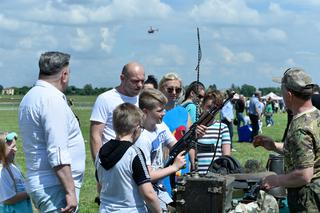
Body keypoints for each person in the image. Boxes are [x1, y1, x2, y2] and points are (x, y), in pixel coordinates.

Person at [19, 51, 85, 212]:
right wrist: (70, 191)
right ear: (64, 75)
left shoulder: (30, 96)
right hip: (55, 186)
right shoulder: (52, 99)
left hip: (44, 183)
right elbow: (57, 151)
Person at [253, 67, 320, 212]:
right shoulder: (316, 116)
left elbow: (304, 175)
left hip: (308, 202)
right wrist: (274, 146)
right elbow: (307, 153)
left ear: (289, 95)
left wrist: (275, 180)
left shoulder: (300, 127)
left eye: (281, 90)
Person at [90, 62, 145, 203]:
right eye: (135, 81)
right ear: (122, 78)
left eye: (142, 81)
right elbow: (96, 135)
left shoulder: (143, 99)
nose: (139, 85)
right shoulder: (105, 99)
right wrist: (99, 167)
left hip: (139, 160)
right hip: (114, 163)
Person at [96, 103, 161, 213]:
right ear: (136, 128)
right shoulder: (134, 153)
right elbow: (148, 193)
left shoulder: (101, 152)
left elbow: (100, 185)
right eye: (142, 128)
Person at [135, 89, 186, 211]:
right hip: (146, 192)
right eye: (159, 111)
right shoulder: (142, 138)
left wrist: (193, 136)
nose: (164, 113)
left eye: (164, 109)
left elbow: (175, 146)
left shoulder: (160, 125)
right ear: (145, 112)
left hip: (158, 187)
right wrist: (174, 167)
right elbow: (148, 176)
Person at [197, 90, 231, 174]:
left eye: (215, 108)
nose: (211, 111)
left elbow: (226, 156)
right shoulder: (195, 128)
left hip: (215, 174)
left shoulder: (223, 128)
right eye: (208, 107)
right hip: (196, 175)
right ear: (202, 105)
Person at [0, 132, 33, 213]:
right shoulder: (2, 172)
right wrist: (31, 192)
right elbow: (8, 199)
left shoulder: (12, 166)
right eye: (12, 147)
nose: (16, 149)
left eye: (15, 146)